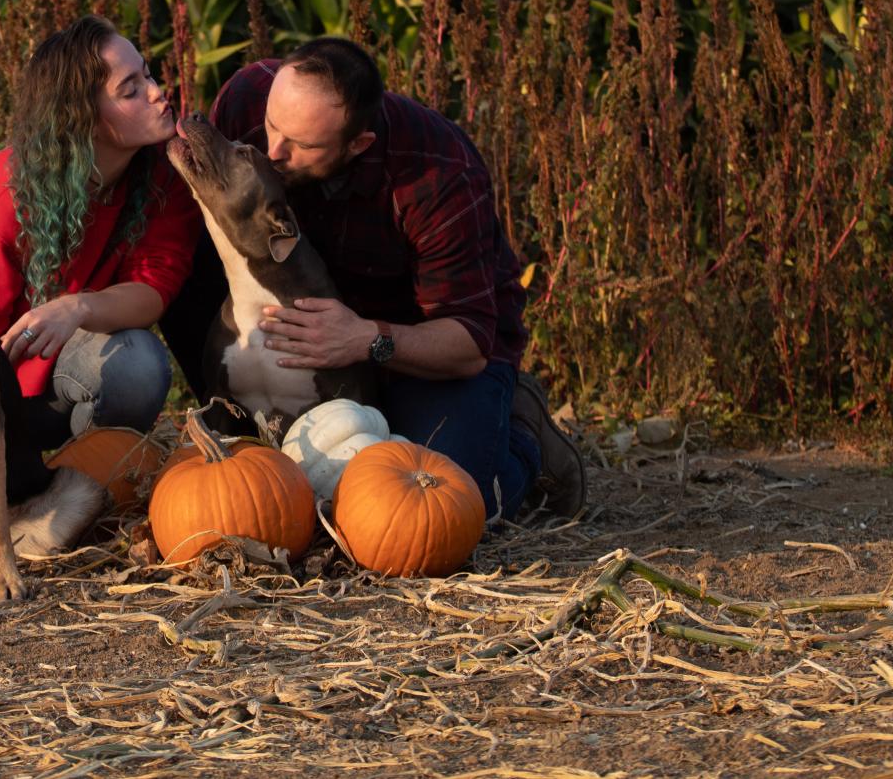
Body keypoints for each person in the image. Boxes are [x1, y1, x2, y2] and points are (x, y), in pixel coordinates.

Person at [162, 37, 584, 520]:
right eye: (272, 127)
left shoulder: (437, 174)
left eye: (301, 145)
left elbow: (467, 343)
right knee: (182, 260)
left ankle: (527, 440)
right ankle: (243, 425)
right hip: (300, 318)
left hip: (410, 340)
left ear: (358, 144)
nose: (272, 150)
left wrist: (366, 339)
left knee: (442, 502)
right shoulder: (250, 96)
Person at [0, 15, 199, 442]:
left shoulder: (165, 177)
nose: (156, 92)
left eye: (147, 73)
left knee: (138, 365)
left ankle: (85, 477)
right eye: (130, 90)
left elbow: (154, 288)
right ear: (83, 119)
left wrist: (78, 307)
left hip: (76, 374)